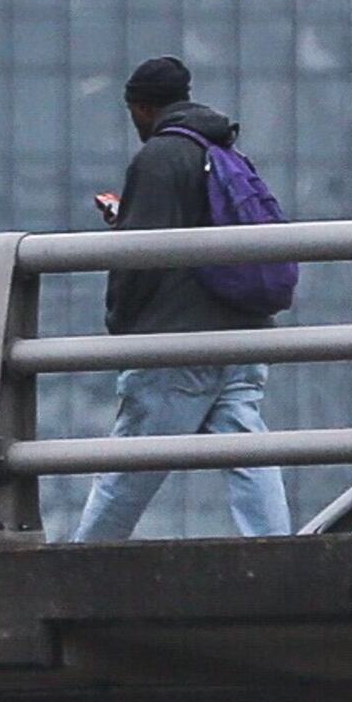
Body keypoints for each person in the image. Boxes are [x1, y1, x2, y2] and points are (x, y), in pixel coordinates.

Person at [65, 55, 291, 540]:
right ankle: (275, 547)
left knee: (129, 462)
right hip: (242, 334)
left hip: (178, 340)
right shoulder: (221, 147)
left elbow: (139, 255)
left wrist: (120, 322)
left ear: (143, 108)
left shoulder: (160, 157)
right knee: (248, 449)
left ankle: (77, 566)